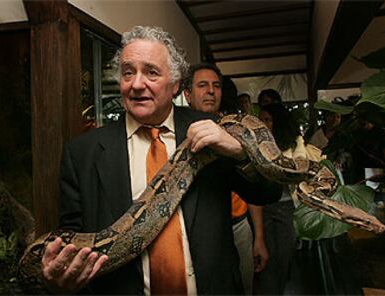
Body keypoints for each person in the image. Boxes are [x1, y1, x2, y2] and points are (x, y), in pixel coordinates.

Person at [40, 26, 282, 295]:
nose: (136, 83)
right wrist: (61, 278)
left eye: (151, 72)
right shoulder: (82, 152)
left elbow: (268, 192)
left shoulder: (214, 129)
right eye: (128, 72)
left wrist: (238, 152)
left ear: (176, 84)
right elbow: (72, 239)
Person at [183, 63, 269, 294]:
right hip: (198, 232)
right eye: (203, 85)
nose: (211, 91)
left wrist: (258, 236)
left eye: (216, 86)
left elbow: (255, 188)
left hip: (239, 225)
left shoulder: (239, 129)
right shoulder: (177, 133)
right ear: (187, 94)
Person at [255, 103, 305, 295]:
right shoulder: (255, 142)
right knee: (263, 258)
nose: (263, 125)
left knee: (284, 256)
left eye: (267, 120)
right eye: (261, 120)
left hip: (286, 207)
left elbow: (298, 169)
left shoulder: (294, 141)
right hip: (262, 206)